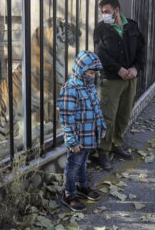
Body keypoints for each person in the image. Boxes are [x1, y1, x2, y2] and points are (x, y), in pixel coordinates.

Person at [93, 0, 145, 170]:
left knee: (124, 114)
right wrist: (118, 69)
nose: (104, 15)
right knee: (107, 116)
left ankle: (116, 145)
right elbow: (101, 54)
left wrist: (136, 68)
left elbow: (141, 50)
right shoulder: (101, 29)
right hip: (112, 79)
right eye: (102, 13)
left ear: (117, 10)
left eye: (107, 11)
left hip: (131, 78)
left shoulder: (132, 26)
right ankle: (103, 152)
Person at [58, 50, 107, 212]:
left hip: (89, 136)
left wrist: (102, 127)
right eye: (90, 72)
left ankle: (82, 185)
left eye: (94, 73)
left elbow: (97, 109)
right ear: (80, 70)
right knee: (73, 165)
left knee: (83, 162)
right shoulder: (70, 89)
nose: (93, 76)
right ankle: (69, 193)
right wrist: (72, 140)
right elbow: (66, 118)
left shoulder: (90, 87)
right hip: (78, 138)